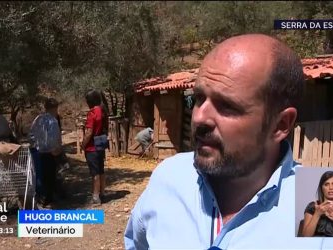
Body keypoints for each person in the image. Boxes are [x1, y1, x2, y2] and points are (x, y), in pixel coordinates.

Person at [124, 34, 333, 249]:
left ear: (280, 125)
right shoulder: (170, 176)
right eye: (198, 99)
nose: (199, 118)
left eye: (226, 106)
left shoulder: (310, 195)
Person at [30, 98, 62, 207]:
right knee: (50, 177)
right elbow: (54, 138)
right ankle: (49, 200)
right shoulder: (53, 121)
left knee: (39, 176)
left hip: (37, 152)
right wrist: (56, 149)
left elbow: (31, 135)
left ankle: (40, 198)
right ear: (55, 108)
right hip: (49, 153)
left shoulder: (37, 119)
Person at [81, 89, 108, 205]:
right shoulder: (103, 111)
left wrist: (83, 144)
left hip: (92, 147)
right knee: (101, 170)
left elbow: (89, 132)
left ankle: (96, 197)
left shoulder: (92, 113)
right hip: (101, 144)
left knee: (95, 173)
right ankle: (102, 193)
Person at [302, 171, 333, 237]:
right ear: (321, 188)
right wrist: (317, 213)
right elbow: (306, 237)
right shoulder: (312, 206)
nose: (331, 188)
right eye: (326, 184)